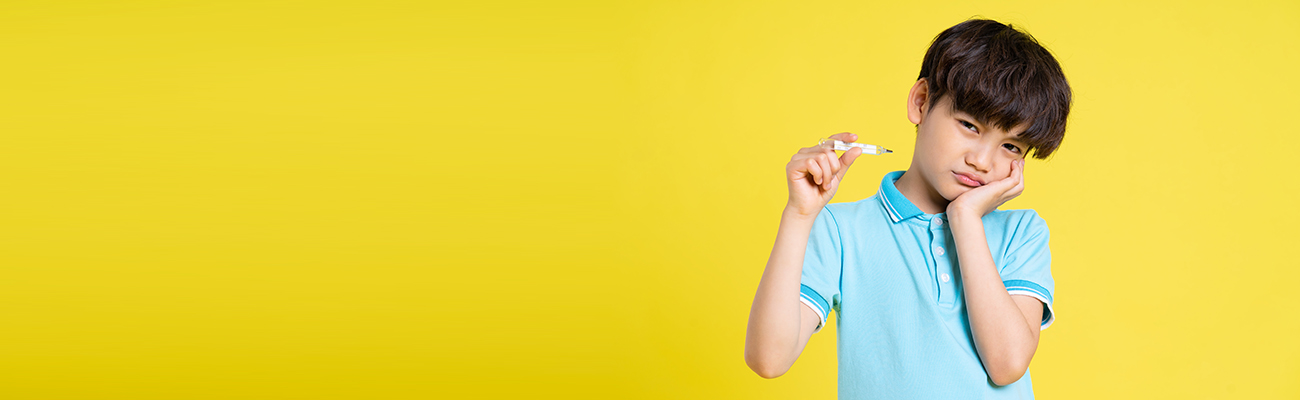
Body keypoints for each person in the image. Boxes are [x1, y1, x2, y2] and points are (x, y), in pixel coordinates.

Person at [744, 18, 1071, 398]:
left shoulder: (1021, 232)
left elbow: (1007, 364)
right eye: (969, 125)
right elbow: (769, 359)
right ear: (921, 102)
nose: (983, 161)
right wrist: (799, 216)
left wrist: (964, 219)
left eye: (1011, 147)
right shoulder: (842, 230)